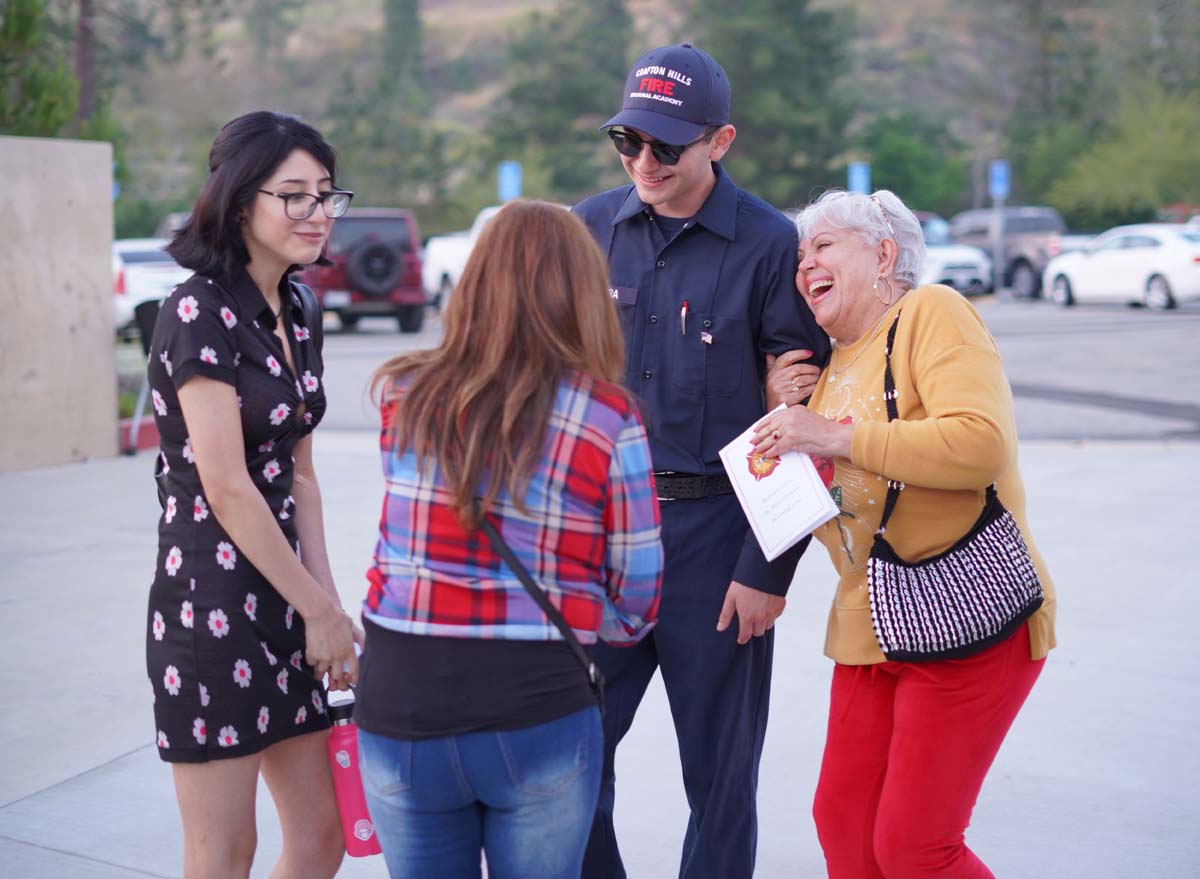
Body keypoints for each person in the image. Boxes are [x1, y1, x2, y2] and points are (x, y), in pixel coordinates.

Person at [572, 43, 832, 879]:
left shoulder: (767, 245)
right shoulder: (586, 229)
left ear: (720, 141)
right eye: (628, 141)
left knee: (719, 781)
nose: (642, 162)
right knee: (569, 759)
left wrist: (769, 568)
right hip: (601, 541)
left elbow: (800, 419)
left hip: (719, 539)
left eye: (666, 147)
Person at [752, 189, 1058, 879]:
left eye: (824, 245)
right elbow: (818, 510)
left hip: (967, 613)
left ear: (884, 253)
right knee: (846, 831)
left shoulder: (931, 313)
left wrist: (833, 434)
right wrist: (780, 412)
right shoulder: (824, 372)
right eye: (800, 254)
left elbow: (981, 443)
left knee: (916, 848)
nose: (806, 265)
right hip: (871, 621)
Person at [356, 200, 663, 879]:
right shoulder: (609, 417)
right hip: (537, 701)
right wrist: (574, 613)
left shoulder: (402, 394)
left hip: (401, 692)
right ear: (584, 293)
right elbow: (638, 599)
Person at [144, 110, 360, 879]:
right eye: (293, 195)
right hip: (212, 609)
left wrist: (327, 607)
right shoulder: (197, 310)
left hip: (290, 601)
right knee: (224, 852)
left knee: (324, 832)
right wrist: (318, 610)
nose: (317, 214)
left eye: (327, 195)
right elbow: (228, 486)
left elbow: (300, 476)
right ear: (241, 203)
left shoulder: (300, 310)